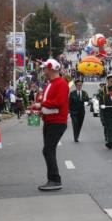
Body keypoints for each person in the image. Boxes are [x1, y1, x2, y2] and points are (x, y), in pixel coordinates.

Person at [31, 58, 69, 191]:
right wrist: (38, 109)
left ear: (50, 68)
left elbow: (58, 102)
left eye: (45, 68)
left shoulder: (61, 84)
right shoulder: (51, 83)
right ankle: (53, 179)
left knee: (48, 150)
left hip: (57, 122)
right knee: (48, 150)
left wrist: (40, 105)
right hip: (50, 121)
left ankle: (54, 180)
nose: (43, 71)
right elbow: (49, 103)